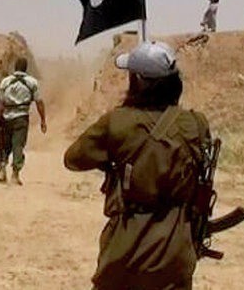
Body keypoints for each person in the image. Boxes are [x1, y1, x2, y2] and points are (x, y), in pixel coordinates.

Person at [64, 41, 211, 290]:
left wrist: (113, 161)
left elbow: (73, 159)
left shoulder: (118, 122)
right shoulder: (196, 124)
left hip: (128, 248)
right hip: (177, 250)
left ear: (138, 82)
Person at [0, 57, 47, 185]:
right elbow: (39, 102)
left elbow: (0, 103)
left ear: (15, 67)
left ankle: (1, 169)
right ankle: (15, 174)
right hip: (21, 118)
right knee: (18, 145)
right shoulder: (32, 82)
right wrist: (43, 120)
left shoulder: (5, 82)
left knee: (4, 145)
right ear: (26, 68)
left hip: (6, 117)